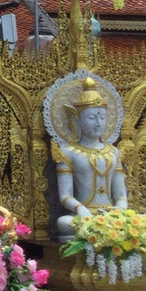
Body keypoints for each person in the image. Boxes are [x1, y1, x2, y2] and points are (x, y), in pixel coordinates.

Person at [53, 76, 128, 239]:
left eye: (102, 117)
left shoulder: (113, 152)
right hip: (84, 216)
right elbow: (65, 196)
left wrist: (119, 209)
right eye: (92, 118)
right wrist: (80, 208)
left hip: (112, 218)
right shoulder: (67, 152)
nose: (98, 123)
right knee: (64, 223)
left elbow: (121, 195)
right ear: (76, 121)